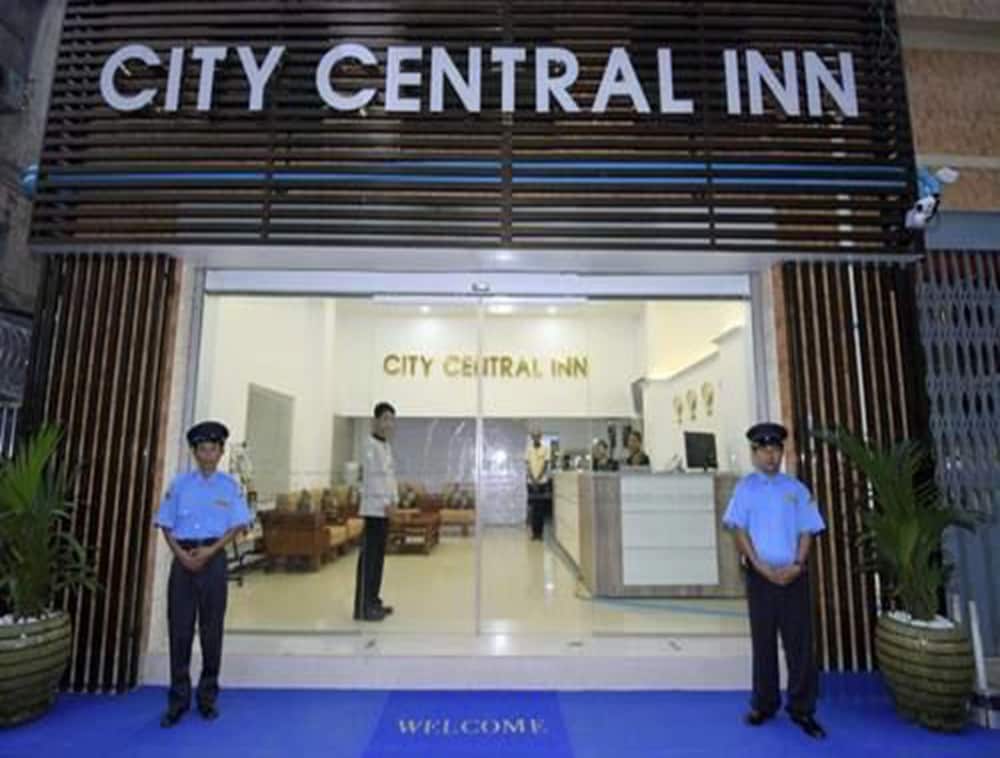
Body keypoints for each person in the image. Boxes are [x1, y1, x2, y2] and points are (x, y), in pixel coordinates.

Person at [723, 422, 827, 739]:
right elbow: (739, 530)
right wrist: (759, 566)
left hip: (793, 577)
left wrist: (797, 564)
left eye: (776, 449)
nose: (771, 456)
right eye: (764, 450)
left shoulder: (796, 489)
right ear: (754, 454)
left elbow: (807, 530)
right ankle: (764, 704)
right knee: (764, 643)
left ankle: (802, 709)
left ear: (782, 452)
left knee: (800, 646)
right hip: (761, 578)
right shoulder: (745, 489)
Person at [154, 420, 251, 728]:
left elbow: (237, 525)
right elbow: (165, 524)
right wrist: (181, 554)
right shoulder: (179, 485)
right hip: (182, 561)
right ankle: (178, 700)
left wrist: (210, 551)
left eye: (213, 450)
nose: (208, 456)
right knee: (179, 631)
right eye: (202, 450)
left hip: (214, 559)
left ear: (221, 453)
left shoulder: (229, 487)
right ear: (194, 453)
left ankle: (207, 697)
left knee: (211, 630)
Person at [354, 401, 398, 622]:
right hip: (374, 510)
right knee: (369, 560)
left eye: (391, 420)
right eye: (385, 419)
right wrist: (385, 503)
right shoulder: (369, 446)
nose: (388, 424)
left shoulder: (385, 446)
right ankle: (363, 607)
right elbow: (372, 480)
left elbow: (389, 477)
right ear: (375, 421)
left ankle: (374, 601)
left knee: (378, 559)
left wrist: (395, 500)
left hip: (385, 511)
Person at [524, 425, 551, 540]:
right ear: (531, 437)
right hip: (531, 483)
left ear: (540, 436)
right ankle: (534, 534)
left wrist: (538, 479)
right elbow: (528, 466)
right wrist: (533, 480)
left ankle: (540, 534)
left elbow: (545, 465)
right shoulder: (528, 449)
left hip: (542, 483)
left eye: (538, 435)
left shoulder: (546, 448)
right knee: (533, 509)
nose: (536, 437)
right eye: (534, 436)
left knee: (541, 509)